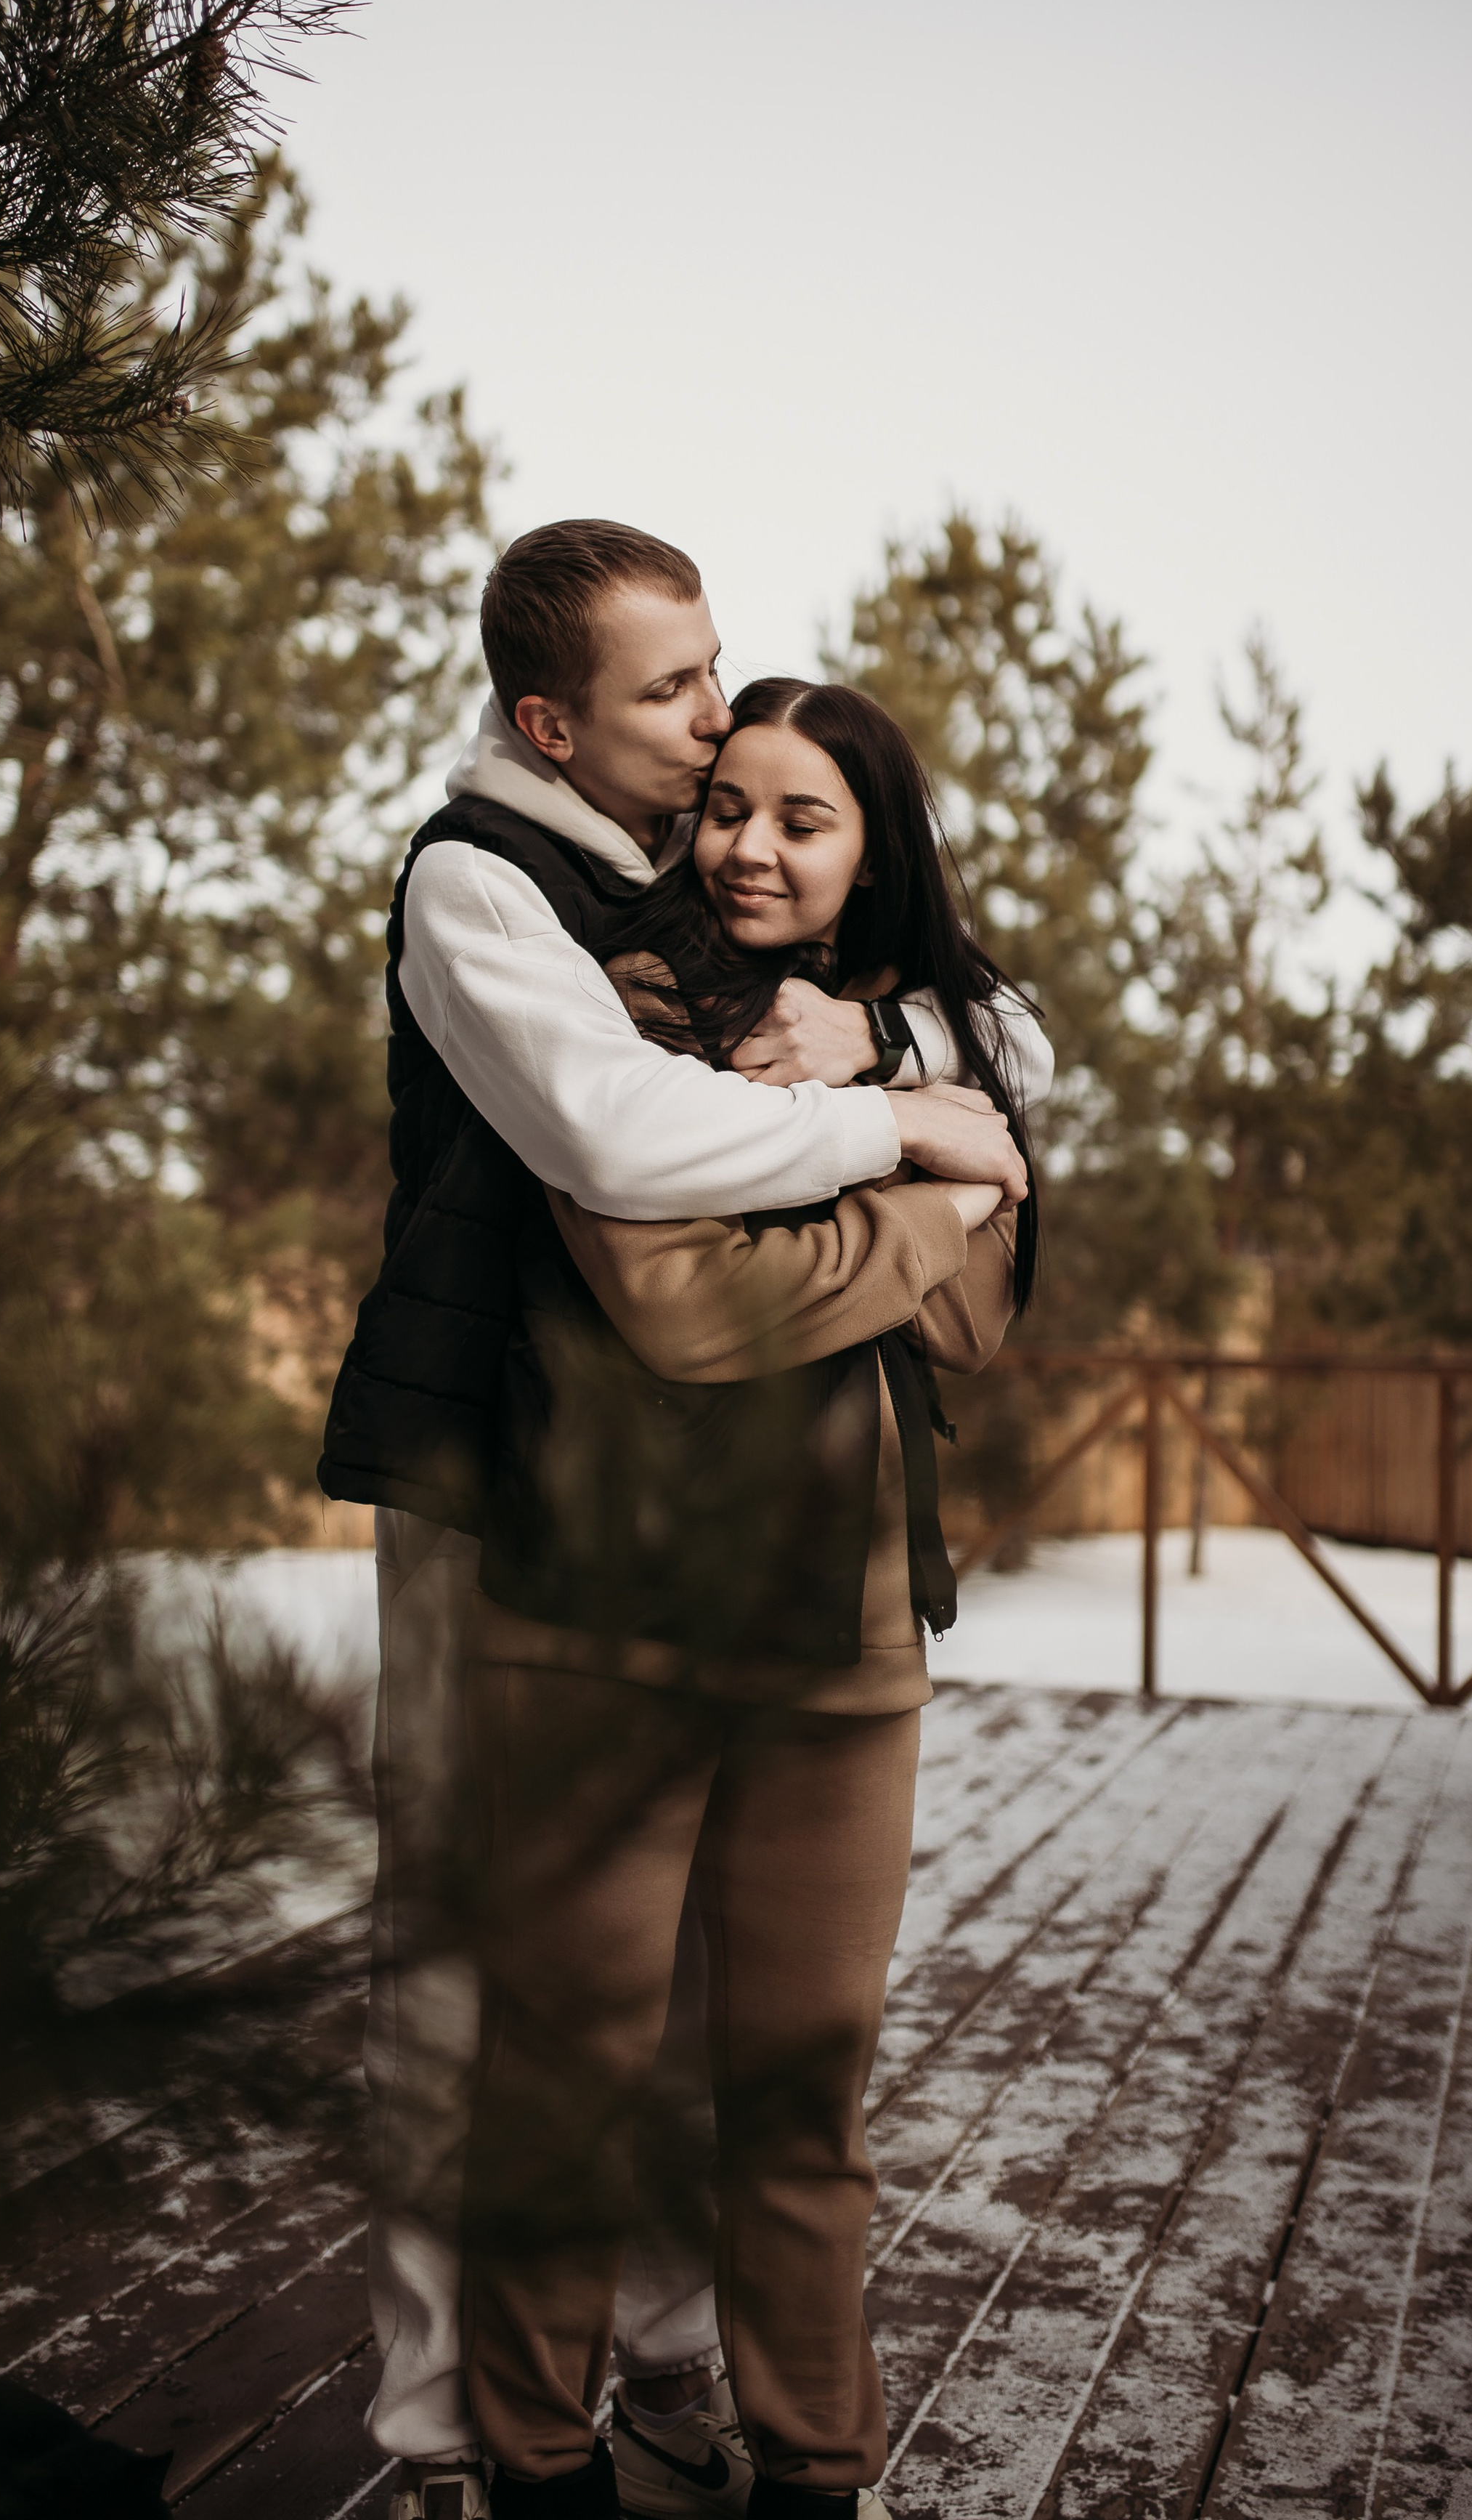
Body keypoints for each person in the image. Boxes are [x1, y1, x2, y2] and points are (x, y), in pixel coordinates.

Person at [320, 525, 1041, 2520]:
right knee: (474, 1985)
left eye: (718, 676)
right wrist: (914, 1146)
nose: (716, 730)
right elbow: (632, 1171)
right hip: (507, 1497)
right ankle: (454, 2443)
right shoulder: (490, 883)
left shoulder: (688, 886)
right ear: (552, 724)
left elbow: (1011, 1056)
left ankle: (662, 2377)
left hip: (765, 1564)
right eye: (676, 697)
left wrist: (898, 1052)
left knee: (717, 2027)